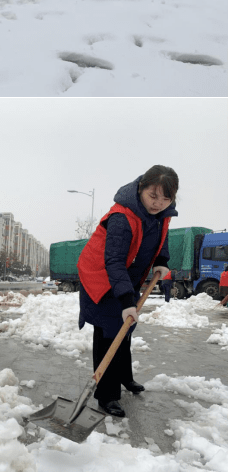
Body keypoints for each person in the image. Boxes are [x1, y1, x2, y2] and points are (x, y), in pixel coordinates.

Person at [77, 165, 178, 418]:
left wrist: (162, 260)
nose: (158, 203)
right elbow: (113, 261)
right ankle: (106, 395)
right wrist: (125, 300)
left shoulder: (162, 214)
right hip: (100, 276)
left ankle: (124, 377)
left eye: (166, 198)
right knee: (110, 331)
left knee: (126, 328)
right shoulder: (122, 217)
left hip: (125, 276)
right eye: (153, 196)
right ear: (141, 188)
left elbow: (161, 237)